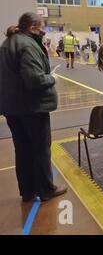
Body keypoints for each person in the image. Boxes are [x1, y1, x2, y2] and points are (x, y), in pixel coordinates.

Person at [0, 12, 67, 202]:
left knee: (22, 150)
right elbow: (34, 79)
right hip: (32, 107)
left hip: (13, 108)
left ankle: (27, 191)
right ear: (32, 28)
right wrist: (51, 78)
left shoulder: (7, 43)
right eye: (42, 27)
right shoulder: (28, 45)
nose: (44, 31)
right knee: (40, 149)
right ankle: (46, 189)